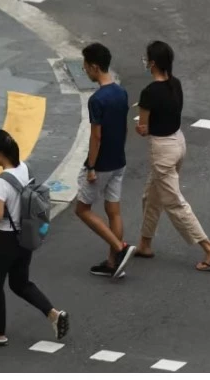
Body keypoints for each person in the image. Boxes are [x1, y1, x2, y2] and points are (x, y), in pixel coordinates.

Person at [134, 40, 210, 272]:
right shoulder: (175, 84)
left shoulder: (149, 92)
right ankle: (145, 243)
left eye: (147, 58)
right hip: (178, 143)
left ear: (153, 63)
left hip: (162, 149)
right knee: (151, 196)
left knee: (174, 202)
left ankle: (208, 247)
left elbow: (143, 128)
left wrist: (140, 127)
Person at [0, 129, 69, 346]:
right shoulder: (24, 168)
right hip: (25, 235)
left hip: (5, 239)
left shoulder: (0, 182)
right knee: (20, 283)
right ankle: (53, 314)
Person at [75, 42, 136, 279]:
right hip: (118, 160)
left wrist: (91, 166)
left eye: (85, 67)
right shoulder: (121, 93)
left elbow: (96, 136)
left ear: (94, 66)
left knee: (82, 209)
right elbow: (124, 127)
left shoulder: (97, 100)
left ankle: (119, 249)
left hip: (100, 165)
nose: (85, 71)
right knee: (114, 212)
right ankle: (112, 263)